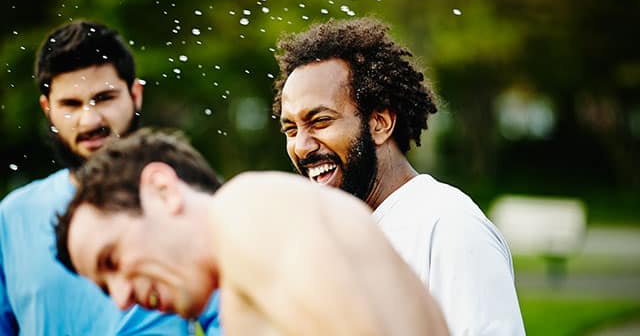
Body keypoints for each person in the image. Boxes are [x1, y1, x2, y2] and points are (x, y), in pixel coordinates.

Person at [54, 128, 450, 336]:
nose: (122, 299)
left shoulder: (244, 209)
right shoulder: (246, 264)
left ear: (161, 191)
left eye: (113, 261)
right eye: (107, 288)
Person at [273, 17, 526, 335]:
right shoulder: (331, 237)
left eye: (320, 121)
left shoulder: (448, 228)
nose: (302, 146)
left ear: (380, 123)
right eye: (291, 129)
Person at [0, 20, 219, 335]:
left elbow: (231, 317)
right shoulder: (12, 217)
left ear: (135, 94)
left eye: (104, 98)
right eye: (70, 104)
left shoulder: (175, 199)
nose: (89, 119)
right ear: (47, 109)